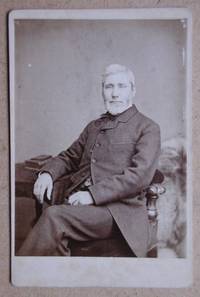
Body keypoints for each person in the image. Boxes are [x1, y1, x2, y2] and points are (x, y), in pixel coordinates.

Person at [17, 64, 161, 257]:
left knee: (54, 217)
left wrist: (92, 195)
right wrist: (47, 173)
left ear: (133, 90)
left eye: (121, 86)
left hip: (118, 213)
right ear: (102, 91)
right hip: (77, 202)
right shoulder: (94, 126)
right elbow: (69, 157)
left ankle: (21, 274)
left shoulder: (148, 128)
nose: (115, 93)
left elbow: (139, 176)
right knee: (51, 223)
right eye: (109, 87)